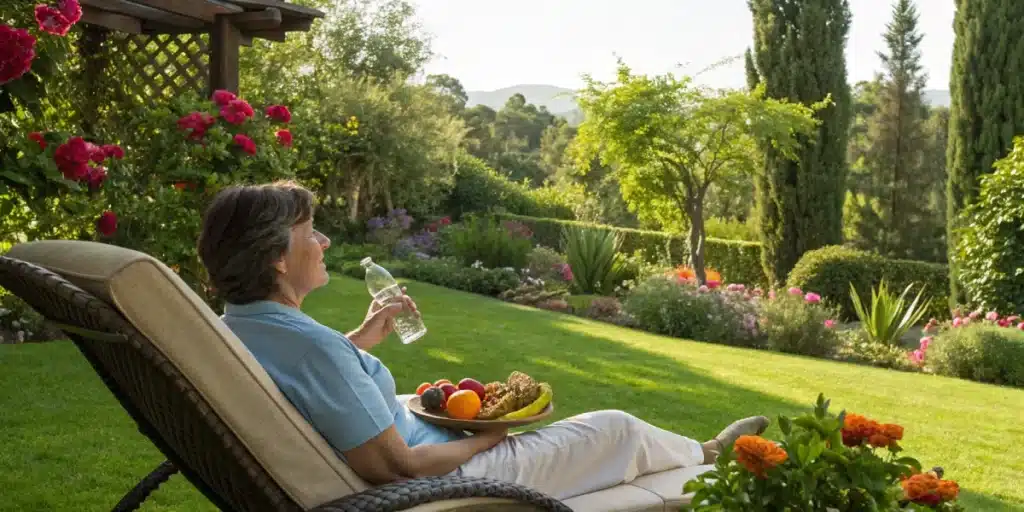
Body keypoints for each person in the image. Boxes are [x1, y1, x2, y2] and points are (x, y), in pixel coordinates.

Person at [197, 181, 770, 502]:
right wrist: (492, 434)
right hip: (450, 482)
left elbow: (311, 382)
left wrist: (360, 342)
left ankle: (698, 452)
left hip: (412, 438)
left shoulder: (239, 325)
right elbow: (402, 470)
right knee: (616, 429)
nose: (322, 241)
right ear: (277, 257)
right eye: (309, 234)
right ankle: (708, 454)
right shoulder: (312, 346)